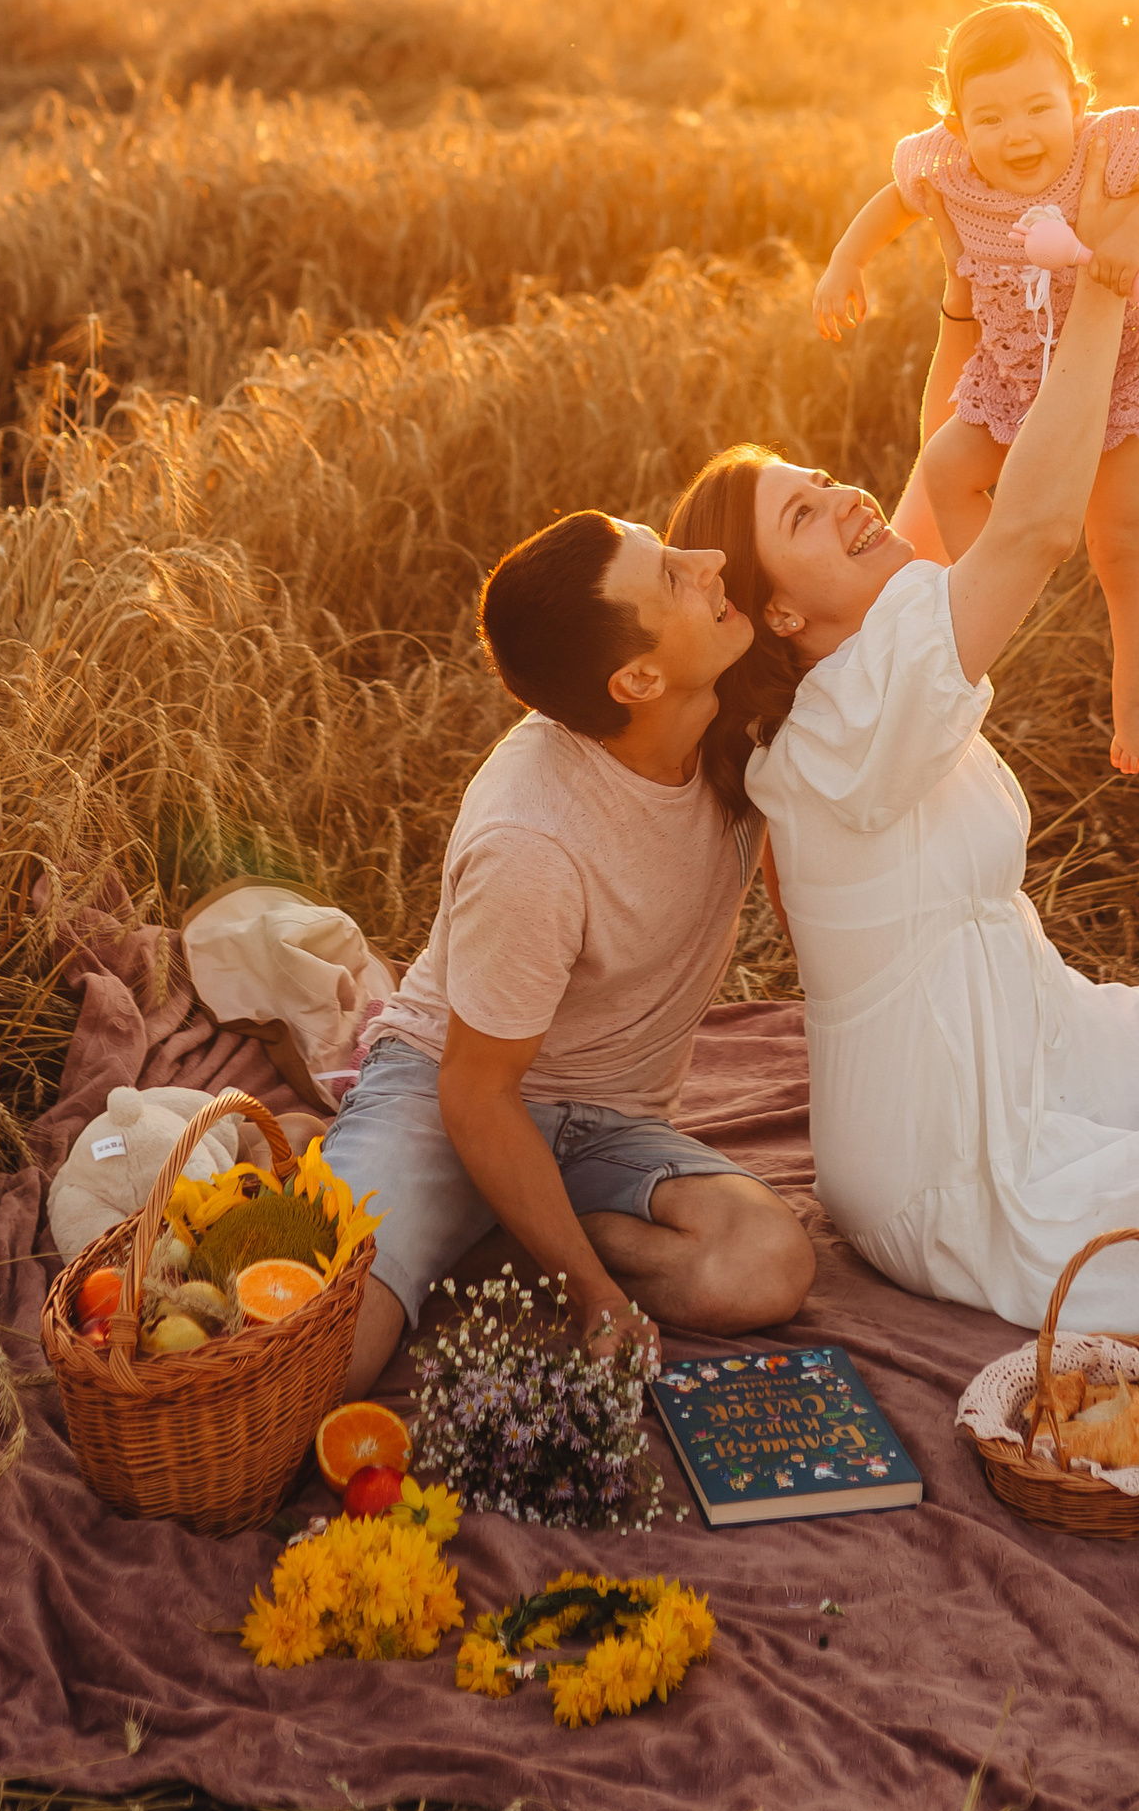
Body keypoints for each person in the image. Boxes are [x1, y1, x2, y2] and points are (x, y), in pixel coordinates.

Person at [667, 246, 1139, 1360]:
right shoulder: (837, 731)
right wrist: (1108, 279)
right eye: (802, 518)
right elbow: (1030, 526)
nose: (841, 499)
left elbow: (943, 456)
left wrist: (968, 269)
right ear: (777, 615)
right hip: (952, 1151)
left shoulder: (876, 639)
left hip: (1043, 1032)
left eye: (819, 481)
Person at [323, 510, 816, 1392]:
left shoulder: (737, 729)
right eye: (669, 573)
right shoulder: (532, 842)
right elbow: (477, 1094)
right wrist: (594, 1292)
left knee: (766, 1265)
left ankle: (490, 1233)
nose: (706, 562)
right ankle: (443, 1215)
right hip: (452, 1095)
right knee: (319, 1355)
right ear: (636, 677)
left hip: (613, 1126)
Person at [812, 0, 1139, 773]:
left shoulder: (1104, 152)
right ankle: (989, 593)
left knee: (1122, 545)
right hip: (1013, 369)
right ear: (959, 128)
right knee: (944, 467)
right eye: (991, 117)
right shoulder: (951, 171)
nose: (1020, 133)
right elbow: (891, 203)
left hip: (1118, 366)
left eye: (1040, 106)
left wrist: (1136, 233)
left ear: (1077, 102)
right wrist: (845, 263)